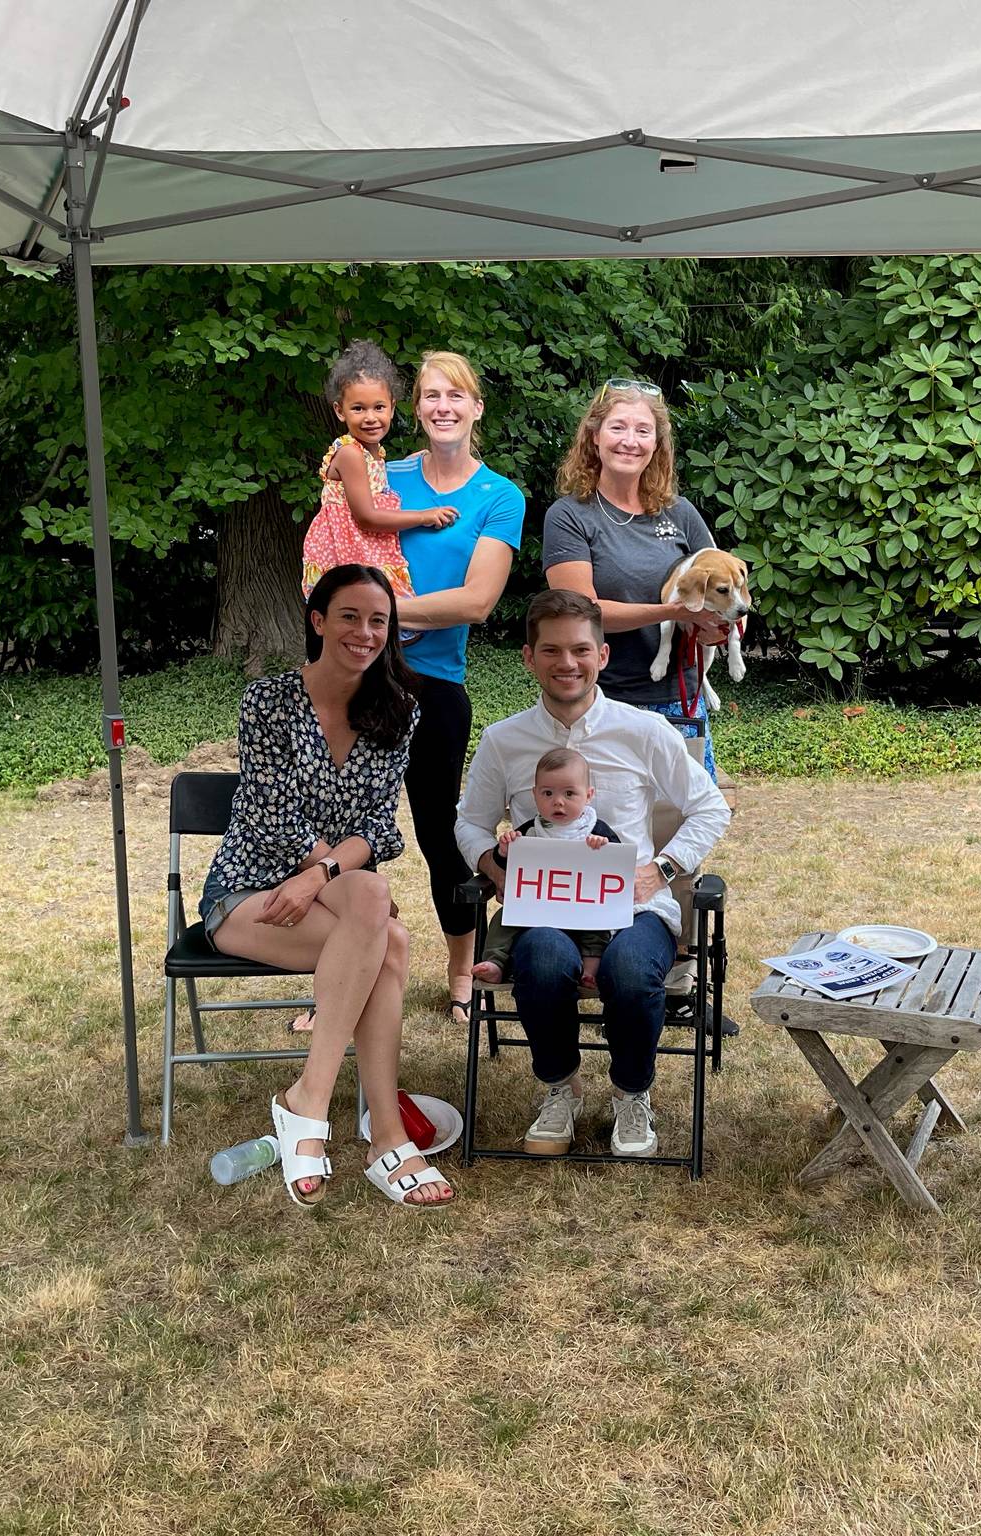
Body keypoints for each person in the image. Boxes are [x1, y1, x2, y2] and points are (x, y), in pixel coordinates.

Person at [200, 564, 454, 1209]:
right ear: (318, 621)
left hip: (332, 884)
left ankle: (309, 1102)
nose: (364, 632)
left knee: (370, 897)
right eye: (349, 616)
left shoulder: (399, 709)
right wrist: (329, 871)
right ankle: (385, 1137)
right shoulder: (269, 701)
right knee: (388, 937)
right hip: (251, 888)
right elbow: (271, 816)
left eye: (378, 621)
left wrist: (321, 875)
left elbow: (379, 826)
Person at [455, 590, 731, 1158]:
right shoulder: (504, 740)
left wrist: (660, 870)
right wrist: (495, 871)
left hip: (635, 908)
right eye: (551, 650)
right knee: (541, 959)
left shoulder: (645, 730)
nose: (567, 663)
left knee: (629, 971)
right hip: (544, 911)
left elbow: (710, 808)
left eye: (581, 649)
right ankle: (561, 1087)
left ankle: (632, 1092)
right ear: (528, 657)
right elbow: (470, 824)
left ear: (602, 655)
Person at [387, 351, 525, 1024]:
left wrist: (381, 613)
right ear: (416, 408)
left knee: (439, 834)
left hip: (435, 686)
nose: (443, 406)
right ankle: (347, 972)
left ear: (476, 408)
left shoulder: (499, 496)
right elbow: (332, 564)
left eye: (456, 395)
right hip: (357, 679)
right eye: (430, 395)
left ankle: (463, 971)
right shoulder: (381, 480)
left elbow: (476, 602)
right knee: (341, 831)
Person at [542, 379, 732, 780]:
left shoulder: (681, 513)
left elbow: (727, 593)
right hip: (599, 702)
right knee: (597, 818)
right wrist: (674, 611)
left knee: (686, 816)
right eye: (618, 427)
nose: (630, 441)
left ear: (656, 444)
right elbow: (581, 614)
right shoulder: (569, 516)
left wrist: (720, 627)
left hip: (679, 702)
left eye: (643, 431)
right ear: (595, 436)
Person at [300, 340, 457, 614]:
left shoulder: (373, 454)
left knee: (383, 619)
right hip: (348, 554)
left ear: (392, 408)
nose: (370, 417)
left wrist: (411, 462)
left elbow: (374, 481)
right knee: (369, 615)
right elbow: (367, 517)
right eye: (358, 409)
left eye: (379, 407)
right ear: (340, 411)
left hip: (364, 549)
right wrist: (424, 516)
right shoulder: (350, 454)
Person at [469, 746, 625, 990]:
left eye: (569, 793)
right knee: (504, 920)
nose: (558, 801)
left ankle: (590, 971)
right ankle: (495, 963)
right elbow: (505, 867)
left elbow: (617, 865)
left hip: (584, 910)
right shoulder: (530, 831)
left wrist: (603, 848)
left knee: (598, 930)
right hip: (537, 914)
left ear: (588, 795)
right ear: (535, 794)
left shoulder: (595, 829)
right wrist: (504, 852)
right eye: (548, 793)